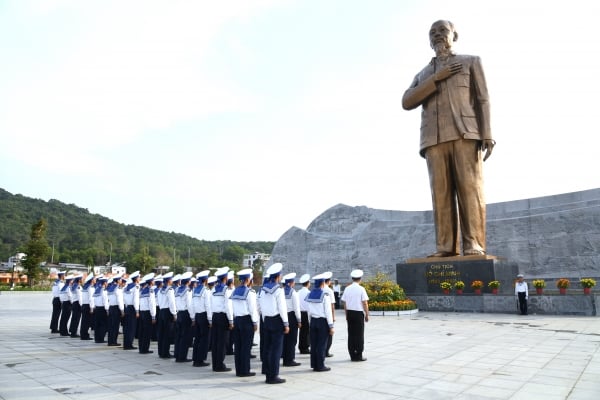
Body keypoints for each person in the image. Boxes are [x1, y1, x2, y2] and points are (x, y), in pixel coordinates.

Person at [402, 19, 495, 257]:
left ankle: (473, 243)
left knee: (469, 190)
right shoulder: (423, 74)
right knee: (440, 195)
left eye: (443, 30)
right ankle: (445, 247)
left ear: (455, 35)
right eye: (432, 32)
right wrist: (436, 78)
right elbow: (407, 101)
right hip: (433, 139)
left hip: (465, 132)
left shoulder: (471, 62)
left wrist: (487, 133)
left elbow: (483, 98)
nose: (437, 35)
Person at [258, 263, 289, 384]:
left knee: (267, 348)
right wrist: (286, 324)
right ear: (278, 276)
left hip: (267, 320)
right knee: (276, 350)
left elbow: (259, 306)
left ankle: (267, 374)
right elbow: (282, 308)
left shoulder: (262, 289)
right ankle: (273, 376)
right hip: (277, 321)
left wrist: (264, 319)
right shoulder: (279, 290)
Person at [230, 268, 259, 377]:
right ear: (248, 280)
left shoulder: (235, 291)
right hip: (247, 321)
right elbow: (252, 309)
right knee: (246, 347)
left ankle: (239, 370)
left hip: (237, 319)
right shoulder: (250, 292)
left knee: (238, 346)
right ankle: (245, 370)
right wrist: (255, 323)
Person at [305, 273, 334, 372]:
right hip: (322, 322)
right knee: (322, 344)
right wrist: (331, 326)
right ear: (322, 284)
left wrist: (310, 322)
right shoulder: (325, 296)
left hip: (313, 321)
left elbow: (308, 311)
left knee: (314, 344)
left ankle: (314, 364)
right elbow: (328, 312)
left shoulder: (309, 295)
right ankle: (320, 365)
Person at [341, 269, 369, 361]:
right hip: (358, 313)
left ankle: (352, 354)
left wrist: (346, 314)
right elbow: (364, 303)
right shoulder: (361, 289)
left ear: (352, 278)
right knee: (359, 334)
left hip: (350, 313)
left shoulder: (347, 288)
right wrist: (367, 315)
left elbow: (344, 303)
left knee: (351, 334)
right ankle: (359, 354)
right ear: (360, 279)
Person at [210, 267, 234, 372]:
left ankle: (215, 364)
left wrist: (210, 319)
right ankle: (220, 364)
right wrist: (231, 321)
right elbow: (228, 307)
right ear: (225, 278)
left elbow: (210, 305)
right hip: (223, 317)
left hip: (214, 316)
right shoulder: (226, 290)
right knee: (222, 342)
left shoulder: (213, 289)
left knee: (215, 341)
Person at [191, 270, 212, 367]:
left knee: (197, 338)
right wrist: (210, 319)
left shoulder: (195, 290)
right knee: (204, 339)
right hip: (204, 316)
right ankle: (200, 359)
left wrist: (193, 317)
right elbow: (208, 306)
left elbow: (192, 305)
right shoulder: (206, 290)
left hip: (197, 315)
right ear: (206, 280)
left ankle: (195, 358)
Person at [282, 272, 301, 367]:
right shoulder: (293, 292)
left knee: (285, 339)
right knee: (292, 340)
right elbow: (296, 308)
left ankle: (285, 358)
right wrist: (299, 320)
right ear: (291, 283)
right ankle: (290, 359)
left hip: (283, 316)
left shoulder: (281, 291)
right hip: (291, 316)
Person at [174, 272, 194, 362]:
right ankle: (182, 357)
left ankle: (177, 355)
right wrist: (193, 317)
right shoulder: (188, 290)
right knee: (185, 337)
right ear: (188, 281)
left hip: (179, 313)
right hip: (186, 314)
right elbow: (189, 305)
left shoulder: (177, 290)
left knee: (179, 336)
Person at [157, 272, 177, 358]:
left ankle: (161, 351)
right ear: (169, 281)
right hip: (167, 312)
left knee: (161, 333)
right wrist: (174, 314)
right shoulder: (170, 290)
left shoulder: (160, 290)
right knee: (167, 333)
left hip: (161, 311)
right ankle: (165, 353)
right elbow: (172, 303)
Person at [138, 273, 156, 354]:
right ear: (151, 282)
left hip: (142, 312)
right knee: (147, 332)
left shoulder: (142, 290)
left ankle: (141, 348)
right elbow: (152, 304)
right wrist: (153, 316)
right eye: (153, 280)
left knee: (141, 331)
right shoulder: (150, 290)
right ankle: (145, 349)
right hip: (148, 313)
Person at [122, 271, 140, 350]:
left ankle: (126, 344)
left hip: (127, 307)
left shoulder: (126, 287)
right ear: (136, 279)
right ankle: (129, 344)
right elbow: (135, 300)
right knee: (132, 327)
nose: (140, 279)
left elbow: (124, 298)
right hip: (132, 308)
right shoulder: (136, 287)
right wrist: (137, 311)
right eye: (139, 277)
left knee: (126, 328)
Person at [106, 275, 124, 346]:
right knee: (115, 326)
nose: (121, 281)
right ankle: (113, 341)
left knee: (111, 326)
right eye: (120, 280)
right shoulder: (118, 288)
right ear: (118, 280)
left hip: (111, 307)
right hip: (116, 309)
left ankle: (110, 341)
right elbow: (119, 300)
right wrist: (122, 310)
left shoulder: (110, 288)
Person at [296, 274, 311, 355]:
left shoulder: (298, 292)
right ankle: (305, 347)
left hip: (300, 313)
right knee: (306, 331)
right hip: (306, 313)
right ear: (308, 283)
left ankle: (301, 346)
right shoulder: (309, 292)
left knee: (302, 331)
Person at [92, 276, 109, 343]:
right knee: (103, 324)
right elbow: (105, 301)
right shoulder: (103, 291)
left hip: (97, 308)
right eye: (107, 282)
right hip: (102, 309)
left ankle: (97, 338)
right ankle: (101, 338)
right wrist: (107, 310)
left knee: (97, 324)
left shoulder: (97, 290)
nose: (107, 284)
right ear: (104, 283)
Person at [322, 272, 335, 357]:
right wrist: (333, 317)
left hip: (319, 316)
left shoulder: (320, 289)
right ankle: (326, 351)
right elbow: (332, 305)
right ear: (329, 281)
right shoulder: (329, 290)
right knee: (329, 334)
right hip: (328, 315)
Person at [79, 273, 94, 340]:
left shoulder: (85, 286)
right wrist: (91, 308)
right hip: (88, 306)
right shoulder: (90, 288)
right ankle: (85, 335)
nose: (94, 280)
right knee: (86, 322)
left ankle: (83, 334)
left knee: (84, 321)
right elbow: (91, 298)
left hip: (84, 305)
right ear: (91, 280)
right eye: (93, 279)